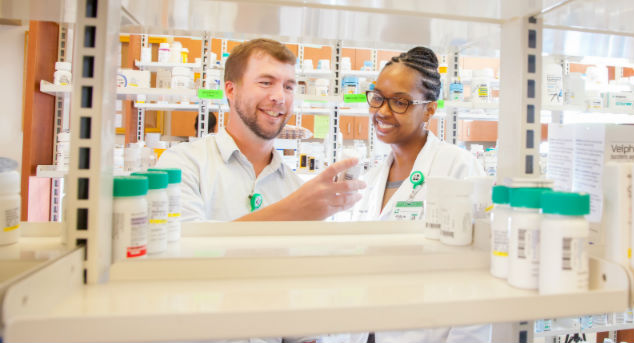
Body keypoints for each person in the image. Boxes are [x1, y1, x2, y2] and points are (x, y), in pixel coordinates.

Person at [352, 47, 489, 343]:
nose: (382, 112)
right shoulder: (371, 179)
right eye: (377, 98)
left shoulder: (458, 168)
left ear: (429, 108)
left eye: (400, 102)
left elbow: (479, 279)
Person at [156, 38, 365, 222]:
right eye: (266, 82)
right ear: (230, 89)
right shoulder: (182, 165)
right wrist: (290, 211)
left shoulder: (294, 187)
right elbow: (184, 249)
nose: (279, 97)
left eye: (289, 87)